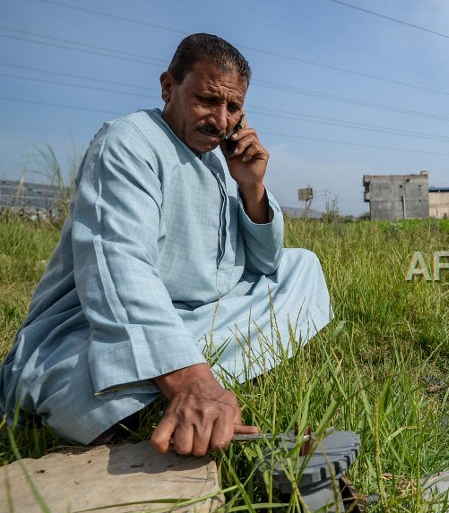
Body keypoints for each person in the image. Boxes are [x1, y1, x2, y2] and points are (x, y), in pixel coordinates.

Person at [0, 33, 332, 456]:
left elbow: (265, 262)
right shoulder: (128, 142)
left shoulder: (222, 160)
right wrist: (189, 378)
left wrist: (251, 185)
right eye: (208, 100)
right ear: (168, 87)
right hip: (100, 322)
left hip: (203, 312)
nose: (221, 120)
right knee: (74, 380)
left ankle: (173, 373)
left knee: (302, 266)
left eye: (233, 108)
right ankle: (180, 376)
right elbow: (120, 267)